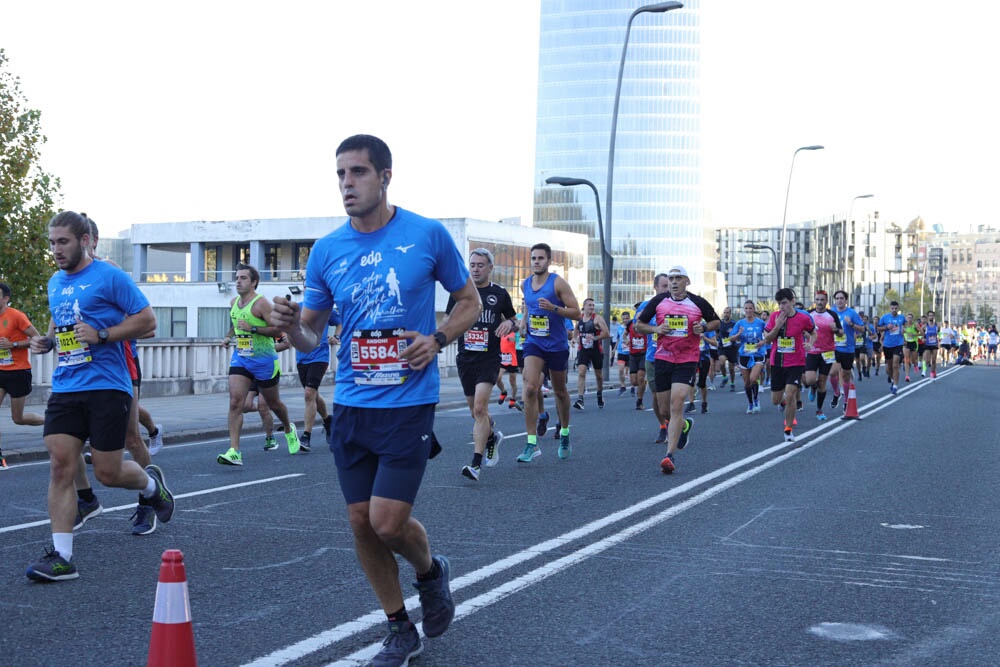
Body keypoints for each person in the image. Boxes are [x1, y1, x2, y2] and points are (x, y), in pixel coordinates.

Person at [270, 134, 479, 666]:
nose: (347, 184)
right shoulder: (326, 250)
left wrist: (437, 340)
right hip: (354, 403)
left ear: (385, 176)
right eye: (340, 174)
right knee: (360, 523)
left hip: (409, 402)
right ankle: (398, 627)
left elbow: (467, 301)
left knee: (387, 522)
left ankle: (431, 574)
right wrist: (293, 328)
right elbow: (312, 337)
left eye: (358, 172)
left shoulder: (426, 235)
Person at [25, 211, 174, 581]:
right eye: (52, 242)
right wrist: (47, 342)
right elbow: (61, 322)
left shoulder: (110, 277)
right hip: (66, 385)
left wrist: (103, 335)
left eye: (63, 242)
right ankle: (62, 557)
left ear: (85, 241)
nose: (56, 250)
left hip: (107, 385)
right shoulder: (55, 282)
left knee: (107, 472)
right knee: (61, 465)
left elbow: (148, 321)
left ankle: (153, 489)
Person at [634, 265, 720, 474]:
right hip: (663, 358)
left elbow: (715, 321)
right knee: (665, 410)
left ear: (687, 281)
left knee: (677, 402)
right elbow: (639, 325)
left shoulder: (697, 302)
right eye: (671, 278)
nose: (673, 282)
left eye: (678, 278)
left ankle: (669, 455)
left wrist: (704, 328)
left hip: (687, 359)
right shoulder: (658, 301)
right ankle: (683, 426)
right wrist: (655, 329)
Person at [218, 263, 300, 465]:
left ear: (254, 282)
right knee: (236, 402)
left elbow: (278, 330)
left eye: (243, 278)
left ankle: (289, 428)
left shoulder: (261, 304)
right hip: (242, 358)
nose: (238, 281)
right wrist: (229, 337)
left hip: (264, 360)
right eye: (237, 277)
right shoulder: (233, 302)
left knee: (274, 404)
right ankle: (234, 451)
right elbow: (236, 322)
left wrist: (253, 329)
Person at [448, 248, 516, 481]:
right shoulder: (460, 292)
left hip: (489, 358)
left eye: (480, 265)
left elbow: (515, 319)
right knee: (476, 412)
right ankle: (492, 436)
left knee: (479, 408)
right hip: (466, 358)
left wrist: (510, 325)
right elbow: (450, 320)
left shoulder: (500, 293)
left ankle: (475, 465)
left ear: (490, 268)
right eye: (472, 264)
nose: (475, 269)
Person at [517, 243, 580, 461]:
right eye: (533, 258)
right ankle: (531, 443)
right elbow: (528, 306)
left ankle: (564, 432)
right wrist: (524, 322)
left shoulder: (558, 283)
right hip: (534, 342)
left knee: (560, 391)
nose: (536, 262)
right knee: (531, 388)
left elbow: (577, 313)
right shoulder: (525, 283)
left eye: (540, 258)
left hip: (557, 345)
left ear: (549, 261)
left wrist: (554, 308)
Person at [0, 282, 45, 469]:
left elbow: (37, 338)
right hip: (0, 371)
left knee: (18, 418)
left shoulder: (16, 316)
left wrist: (14, 345)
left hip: (18, 372)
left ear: (6, 298)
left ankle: (51, 421)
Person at [761, 288, 815, 442]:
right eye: (779, 304)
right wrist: (777, 326)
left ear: (792, 301)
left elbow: (813, 333)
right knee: (775, 400)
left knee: (791, 393)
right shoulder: (774, 317)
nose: (781, 307)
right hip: (777, 362)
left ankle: (788, 430)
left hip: (796, 362)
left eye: (784, 303)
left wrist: (810, 344)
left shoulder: (803, 318)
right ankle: (783, 402)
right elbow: (768, 339)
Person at [293, 306, 341, 453]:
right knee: (313, 394)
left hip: (320, 357)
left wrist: (337, 336)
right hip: (302, 358)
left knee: (309, 394)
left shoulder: (325, 309)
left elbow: (341, 322)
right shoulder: (297, 308)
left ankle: (306, 436)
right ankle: (328, 420)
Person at [802, 290, 843, 421]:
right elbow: (801, 329)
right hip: (812, 351)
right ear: (815, 301)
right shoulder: (809, 314)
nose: (819, 302)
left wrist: (836, 329)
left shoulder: (832, 314)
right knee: (809, 380)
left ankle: (819, 410)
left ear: (826, 301)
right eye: (817, 300)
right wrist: (806, 335)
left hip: (828, 352)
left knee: (823, 382)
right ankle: (812, 388)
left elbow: (841, 332)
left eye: (822, 300)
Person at [573, 298, 610, 410]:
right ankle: (580, 398)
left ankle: (599, 394)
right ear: (584, 306)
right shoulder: (579, 318)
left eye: (593, 305)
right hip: (583, 349)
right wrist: (575, 339)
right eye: (589, 305)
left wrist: (595, 337)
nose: (592, 307)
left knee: (598, 375)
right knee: (581, 372)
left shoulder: (597, 319)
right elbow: (575, 331)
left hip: (596, 350)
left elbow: (607, 333)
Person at [730, 300, 767, 414]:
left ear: (754, 309)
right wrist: (738, 334)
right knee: (746, 383)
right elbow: (731, 339)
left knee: (752, 378)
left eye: (750, 308)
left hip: (758, 354)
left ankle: (756, 400)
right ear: (744, 310)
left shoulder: (760, 323)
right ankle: (750, 403)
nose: (748, 310)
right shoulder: (740, 323)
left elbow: (768, 336)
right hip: (744, 354)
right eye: (746, 308)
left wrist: (763, 342)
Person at [830, 290, 863, 415]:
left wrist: (851, 324)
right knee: (832, 373)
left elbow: (862, 329)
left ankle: (845, 401)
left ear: (846, 300)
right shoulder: (831, 313)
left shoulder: (852, 313)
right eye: (837, 298)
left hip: (848, 348)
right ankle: (837, 392)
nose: (839, 300)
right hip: (834, 348)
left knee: (846, 376)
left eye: (841, 298)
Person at [877, 301, 906, 395]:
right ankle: (893, 379)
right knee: (889, 368)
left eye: (896, 308)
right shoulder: (885, 317)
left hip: (898, 344)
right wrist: (886, 327)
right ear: (890, 308)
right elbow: (878, 328)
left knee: (895, 365)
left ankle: (895, 386)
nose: (894, 310)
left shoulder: (902, 317)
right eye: (892, 308)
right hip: (887, 345)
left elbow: (905, 326)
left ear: (898, 308)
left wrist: (903, 329)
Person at [716, 306, 738, 391]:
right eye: (724, 312)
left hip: (732, 347)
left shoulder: (734, 324)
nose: (725, 314)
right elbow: (717, 332)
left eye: (727, 313)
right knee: (721, 362)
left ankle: (732, 383)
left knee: (731, 368)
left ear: (730, 314)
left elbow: (737, 334)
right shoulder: (720, 323)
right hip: (722, 347)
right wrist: (717, 340)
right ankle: (725, 377)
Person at [615, 311, 631, 396]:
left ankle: (633, 386)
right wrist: (614, 349)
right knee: (621, 369)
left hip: (630, 352)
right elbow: (618, 339)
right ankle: (622, 385)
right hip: (621, 351)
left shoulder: (632, 327)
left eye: (627, 318)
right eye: (624, 318)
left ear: (629, 318)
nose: (625, 320)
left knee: (632, 373)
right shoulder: (619, 328)